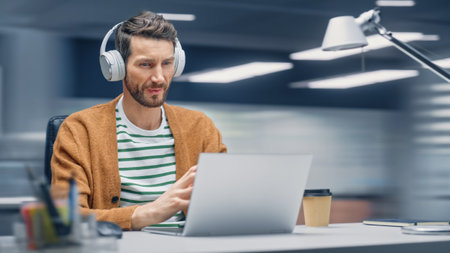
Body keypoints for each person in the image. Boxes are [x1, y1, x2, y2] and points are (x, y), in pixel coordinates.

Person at [51, 11, 227, 231]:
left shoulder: (201, 127)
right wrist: (144, 214)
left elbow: (225, 203)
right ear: (118, 68)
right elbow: (66, 217)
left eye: (167, 63)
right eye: (146, 65)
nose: (159, 77)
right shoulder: (80, 130)